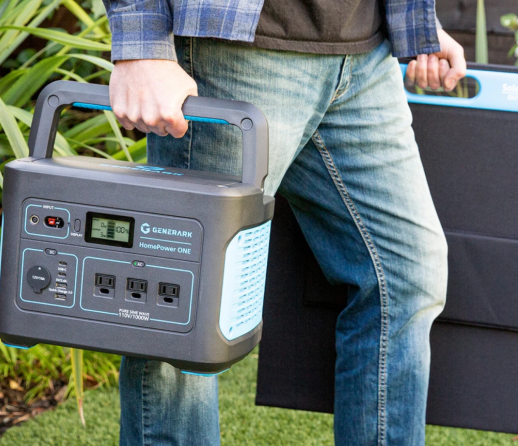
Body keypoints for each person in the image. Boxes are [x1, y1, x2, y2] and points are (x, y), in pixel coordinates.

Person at [103, 0, 466, 444]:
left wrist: (415, 23)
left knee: (407, 275)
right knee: (185, 307)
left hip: (364, 54)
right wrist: (141, 44)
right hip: (237, 50)